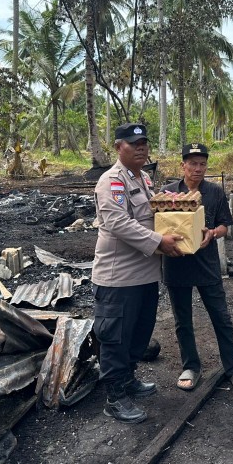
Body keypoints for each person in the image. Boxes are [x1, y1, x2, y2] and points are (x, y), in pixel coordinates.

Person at [92, 123, 183, 424]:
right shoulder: (111, 181)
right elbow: (118, 222)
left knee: (139, 333)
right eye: (134, 143)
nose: (141, 148)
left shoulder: (143, 178)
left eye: (144, 142)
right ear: (119, 147)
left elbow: (152, 215)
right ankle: (114, 397)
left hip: (145, 274)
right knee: (115, 338)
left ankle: (128, 379)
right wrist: (159, 242)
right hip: (118, 278)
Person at [162, 143, 233, 392]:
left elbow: (225, 224)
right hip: (176, 264)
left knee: (221, 317)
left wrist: (212, 233)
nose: (198, 168)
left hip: (207, 264)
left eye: (202, 164)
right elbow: (158, 223)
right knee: (182, 320)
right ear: (183, 165)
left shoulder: (214, 192)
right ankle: (191, 366)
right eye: (193, 163)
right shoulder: (168, 192)